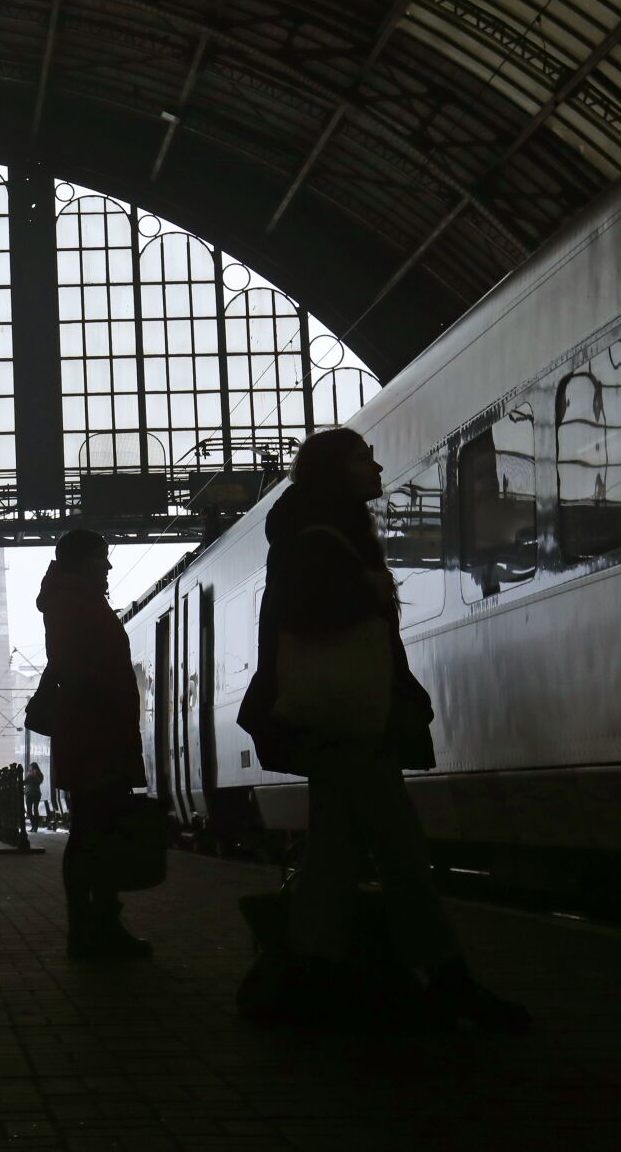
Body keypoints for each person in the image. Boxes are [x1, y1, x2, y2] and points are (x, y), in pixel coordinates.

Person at [237, 428, 530, 1031]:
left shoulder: (316, 529)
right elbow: (308, 615)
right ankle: (448, 978)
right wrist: (365, 595)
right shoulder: (320, 538)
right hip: (345, 722)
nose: (376, 468)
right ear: (336, 471)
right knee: (400, 851)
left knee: (334, 856)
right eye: (362, 459)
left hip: (341, 722)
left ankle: (302, 980)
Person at [35, 528, 151, 960]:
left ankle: (95, 926)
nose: (108, 567)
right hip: (95, 738)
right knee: (94, 835)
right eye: (102, 558)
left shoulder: (73, 600)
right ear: (84, 562)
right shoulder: (74, 604)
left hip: (93, 734)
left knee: (93, 833)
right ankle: (93, 930)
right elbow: (82, 669)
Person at [24, 761, 45, 831]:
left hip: (36, 795)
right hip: (29, 794)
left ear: (36, 769)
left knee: (35, 810)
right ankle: (33, 825)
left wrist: (34, 775)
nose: (30, 771)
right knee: (29, 812)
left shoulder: (40, 775)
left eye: (32, 770)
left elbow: (38, 782)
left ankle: (35, 827)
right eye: (30, 770)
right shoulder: (29, 776)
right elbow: (24, 782)